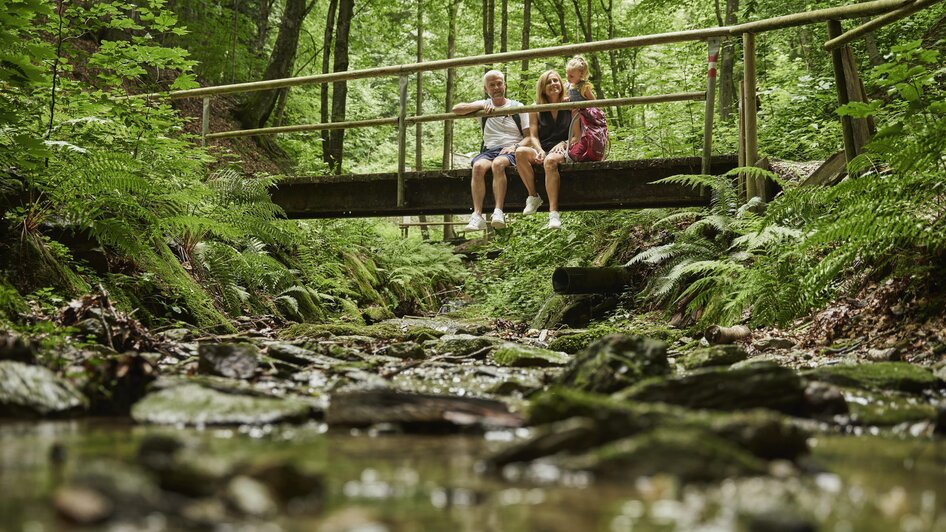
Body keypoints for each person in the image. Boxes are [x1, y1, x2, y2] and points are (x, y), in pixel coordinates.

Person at [452, 70, 530, 231]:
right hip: (489, 150)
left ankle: (498, 211)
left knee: (498, 164)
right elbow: (456, 109)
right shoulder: (483, 106)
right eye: (492, 85)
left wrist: (515, 147)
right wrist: (481, 105)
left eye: (499, 83)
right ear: (486, 89)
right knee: (478, 167)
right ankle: (477, 215)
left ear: (505, 85)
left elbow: (529, 137)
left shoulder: (518, 107)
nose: (496, 87)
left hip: (512, 149)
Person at [514, 69, 571, 230]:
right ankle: (533, 196)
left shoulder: (570, 103)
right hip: (543, 148)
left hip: (565, 148)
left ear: (561, 83)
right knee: (520, 152)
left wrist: (564, 143)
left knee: (550, 161)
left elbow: (578, 135)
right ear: (542, 87)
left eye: (556, 80)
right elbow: (533, 136)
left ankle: (553, 213)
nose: (553, 84)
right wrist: (539, 150)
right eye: (549, 82)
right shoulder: (535, 107)